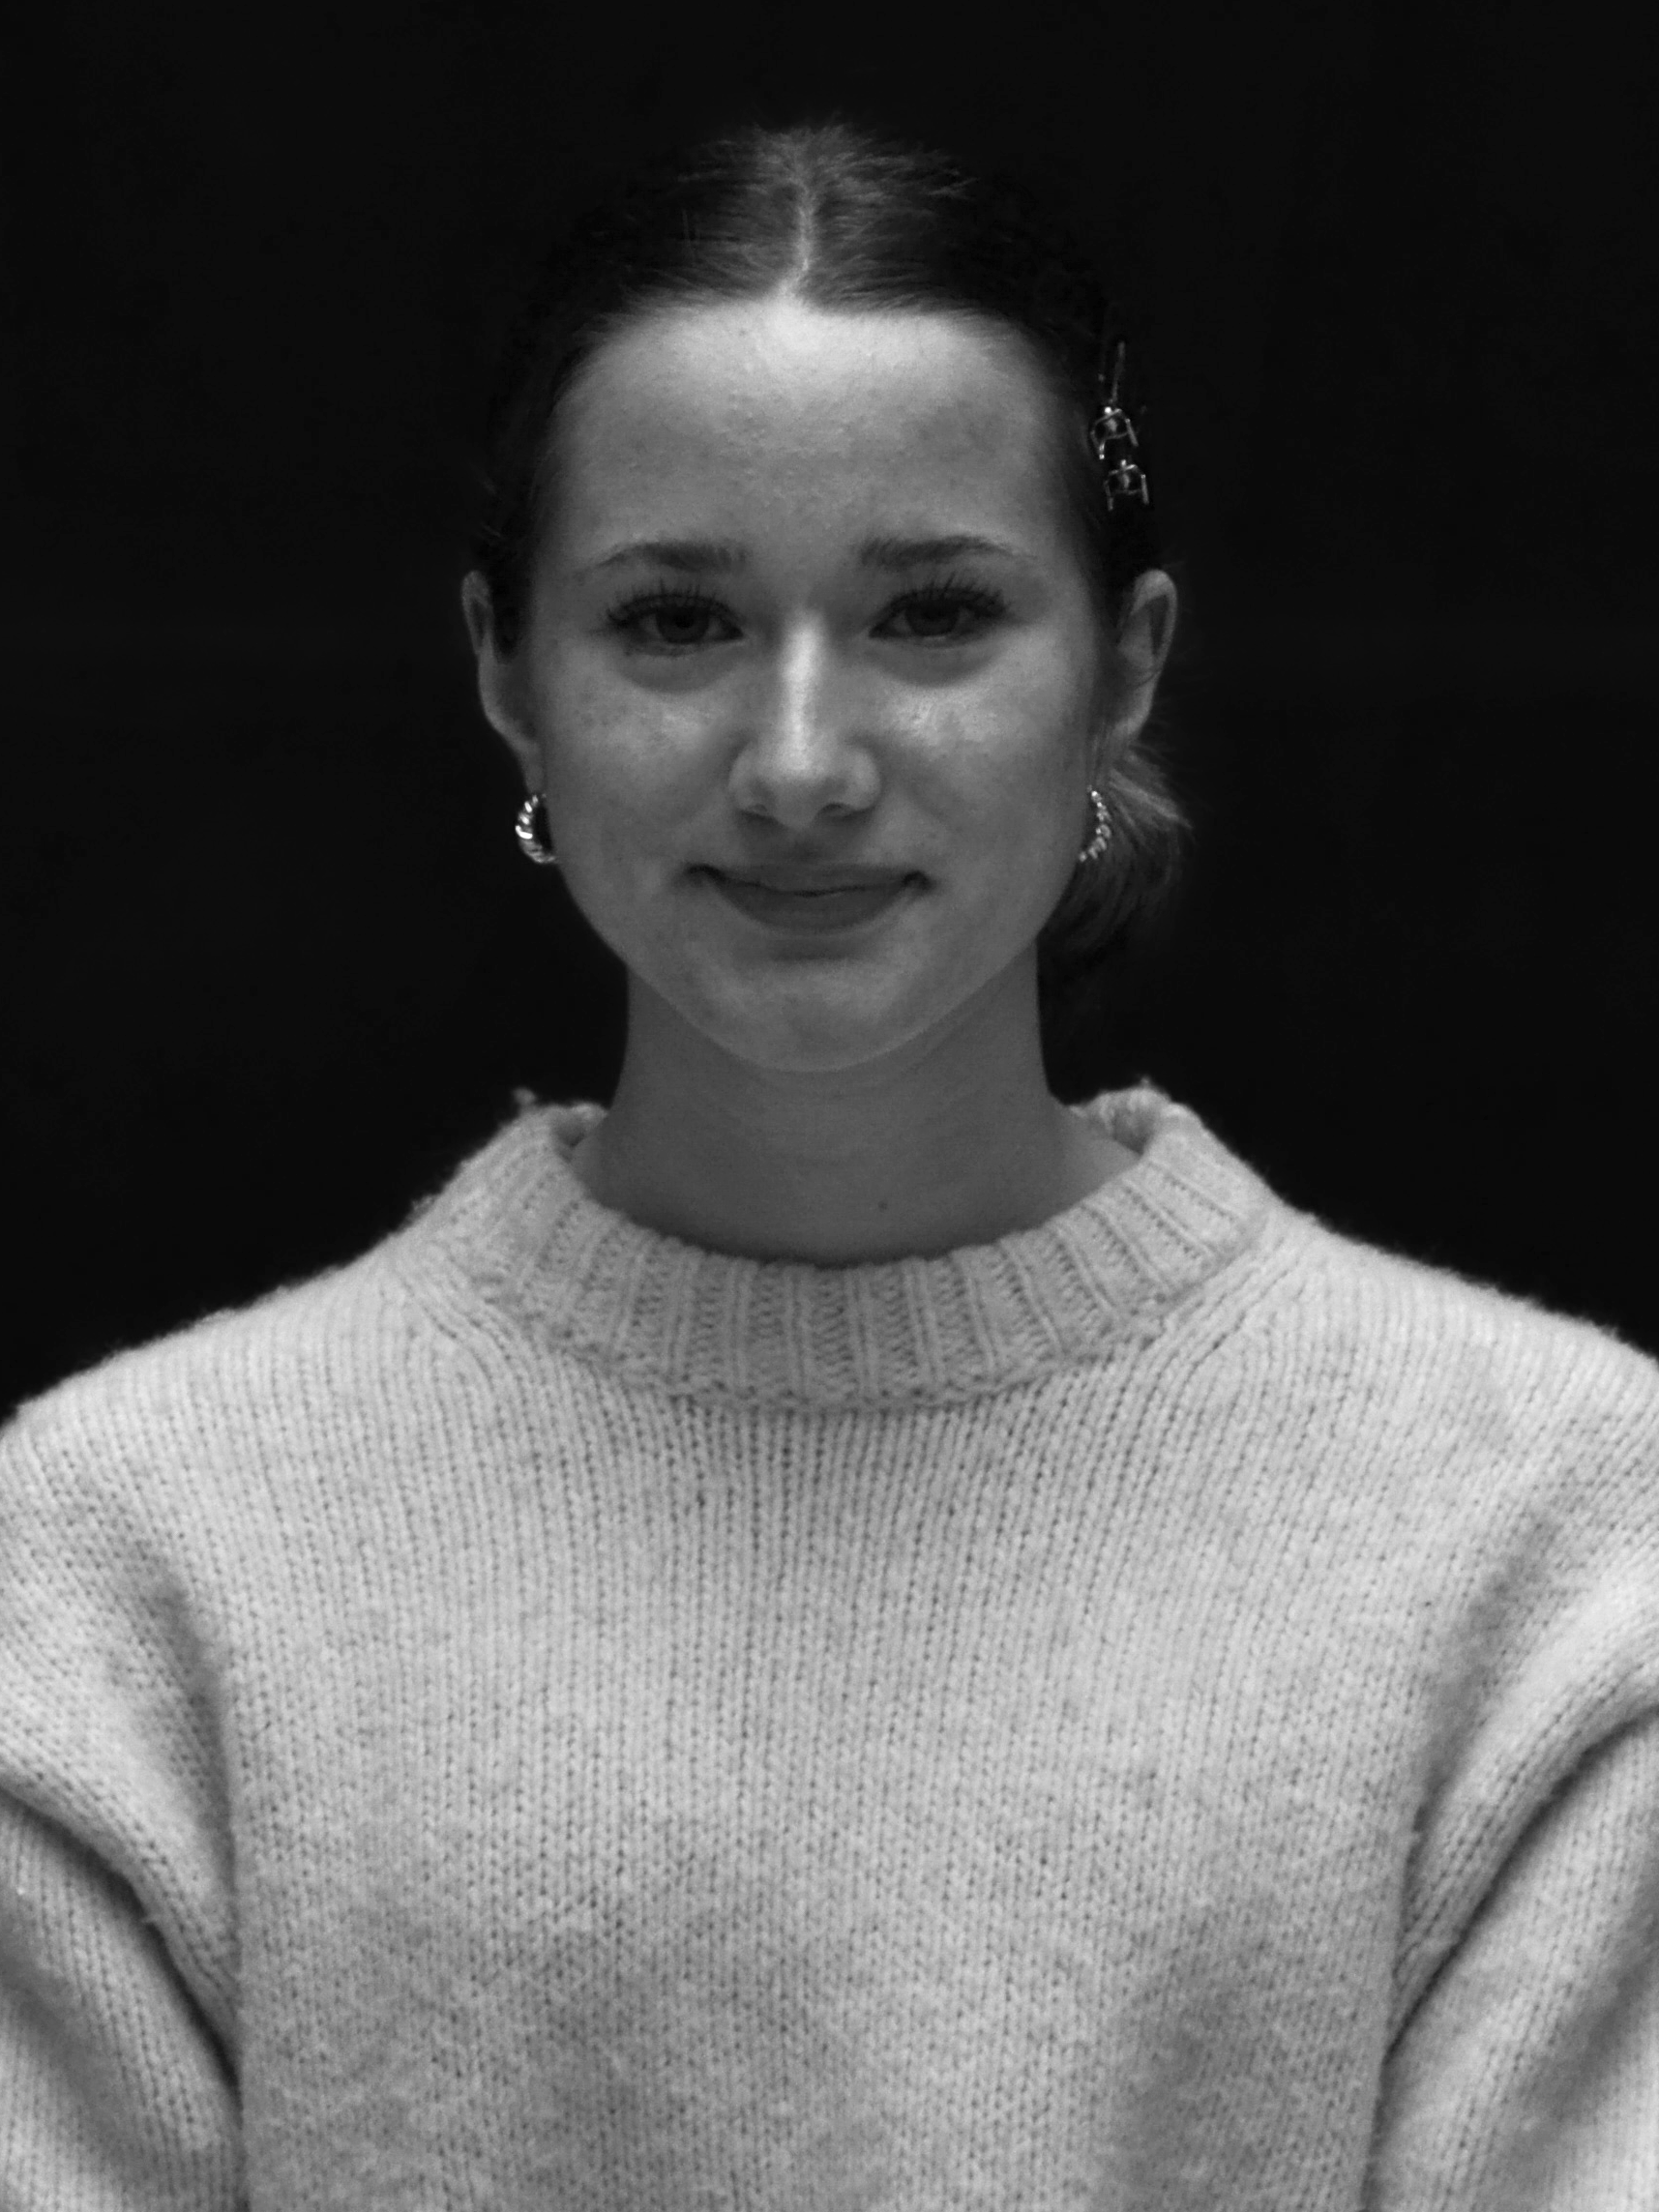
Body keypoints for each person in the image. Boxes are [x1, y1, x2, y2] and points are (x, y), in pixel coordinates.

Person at [2, 115, 1656, 2212]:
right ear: (507, 670)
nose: (798, 763)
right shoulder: (132, 1551)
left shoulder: (1548, 1529)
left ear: (1123, 665)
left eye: (932, 613)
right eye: (675, 621)